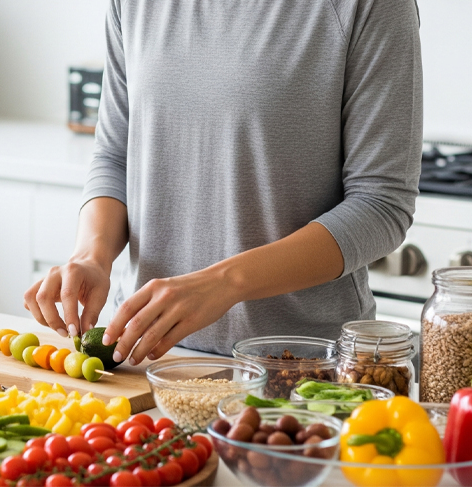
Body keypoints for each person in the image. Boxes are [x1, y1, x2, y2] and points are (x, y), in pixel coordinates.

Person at [24, 1, 423, 365]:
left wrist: (223, 283)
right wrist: (92, 256)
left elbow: (381, 205)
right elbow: (115, 156)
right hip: (147, 356)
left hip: (298, 365)